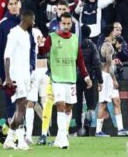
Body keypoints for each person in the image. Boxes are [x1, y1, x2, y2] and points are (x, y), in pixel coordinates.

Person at [37, 12, 93, 149]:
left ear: (71, 24)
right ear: (59, 24)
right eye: (64, 23)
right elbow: (43, 51)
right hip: (57, 78)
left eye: (69, 23)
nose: (66, 26)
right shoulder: (52, 37)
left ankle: (59, 138)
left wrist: (86, 76)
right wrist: (40, 45)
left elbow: (79, 59)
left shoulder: (75, 38)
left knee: (68, 107)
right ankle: (63, 138)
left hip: (71, 78)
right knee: (60, 105)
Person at [3, 10, 36, 150]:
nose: (34, 22)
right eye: (32, 19)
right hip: (15, 75)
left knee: (21, 106)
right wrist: (8, 77)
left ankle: (9, 139)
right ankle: (21, 140)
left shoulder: (27, 35)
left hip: (25, 75)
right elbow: (7, 56)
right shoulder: (14, 33)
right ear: (26, 19)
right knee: (21, 105)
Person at [0, 0, 22, 141]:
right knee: (11, 104)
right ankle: (13, 137)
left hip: (23, 70)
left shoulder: (26, 23)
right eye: (11, 4)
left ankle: (6, 132)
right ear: (7, 6)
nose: (14, 6)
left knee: (23, 103)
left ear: (20, 5)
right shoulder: (2, 25)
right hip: (8, 72)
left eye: (16, 3)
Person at [95, 24, 128, 136]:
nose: (117, 32)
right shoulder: (108, 46)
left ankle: (120, 129)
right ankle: (98, 131)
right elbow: (109, 66)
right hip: (106, 77)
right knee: (103, 103)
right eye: (115, 30)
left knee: (117, 101)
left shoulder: (110, 45)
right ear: (111, 32)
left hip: (108, 76)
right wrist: (114, 80)